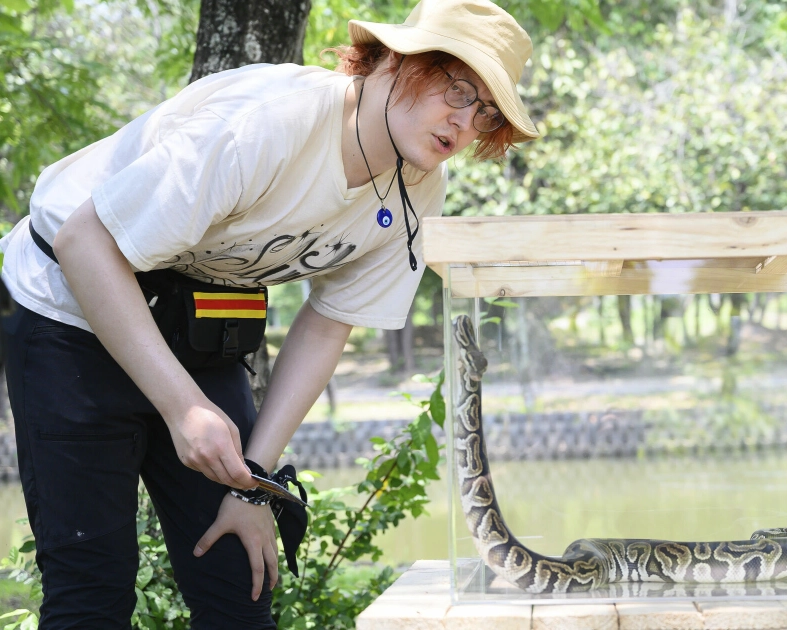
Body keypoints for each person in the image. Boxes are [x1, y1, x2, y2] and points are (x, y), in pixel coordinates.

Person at [0, 0, 540, 626]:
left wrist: (252, 482)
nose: (465, 122)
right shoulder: (271, 122)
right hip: (69, 308)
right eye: (458, 90)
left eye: (486, 111)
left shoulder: (419, 186)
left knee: (241, 580)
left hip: (199, 320)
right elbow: (84, 241)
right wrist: (184, 408)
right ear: (395, 61)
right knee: (91, 592)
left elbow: (329, 321)